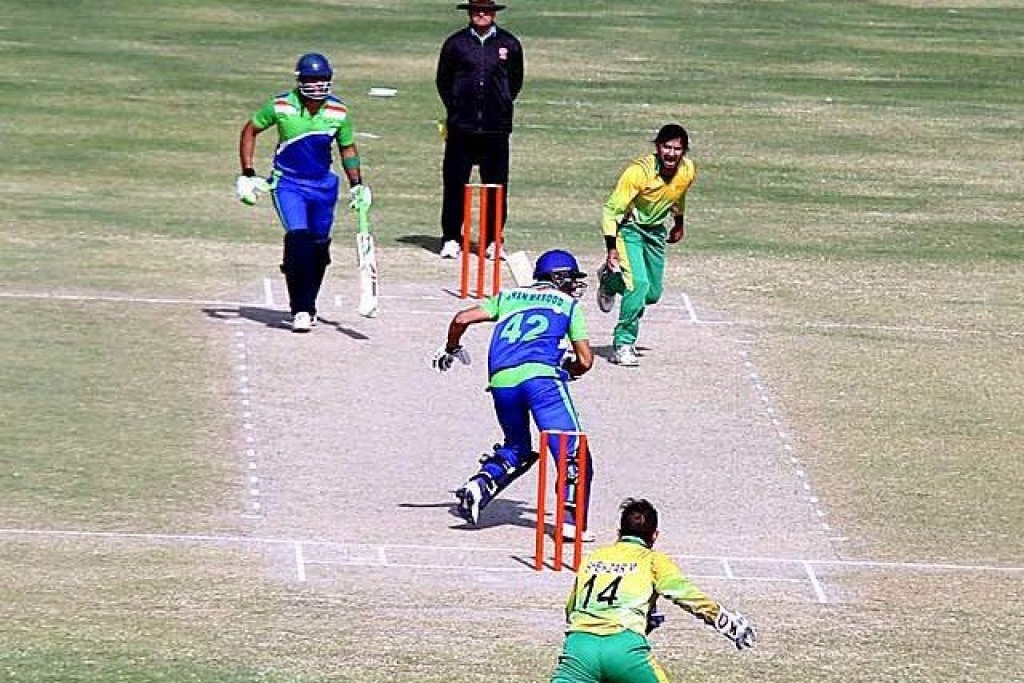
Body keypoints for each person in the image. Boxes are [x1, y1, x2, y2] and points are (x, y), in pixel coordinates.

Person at [432, 250, 595, 541]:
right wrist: (570, 370)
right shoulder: (568, 305)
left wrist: (451, 347)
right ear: (559, 278)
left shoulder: (508, 297)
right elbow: (585, 359)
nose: (574, 287)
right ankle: (570, 521)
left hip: (502, 381)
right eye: (571, 280)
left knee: (518, 447)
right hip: (542, 380)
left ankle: (481, 484)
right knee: (572, 452)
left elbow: (461, 318)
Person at [550, 498, 757, 683]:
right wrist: (727, 622)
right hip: (625, 649)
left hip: (579, 649)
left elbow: (571, 609)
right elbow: (687, 595)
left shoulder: (592, 557)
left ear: (619, 533)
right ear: (655, 535)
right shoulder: (653, 560)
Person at [236, 52, 372, 333]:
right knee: (298, 239)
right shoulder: (281, 106)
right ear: (300, 81)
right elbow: (250, 131)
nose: (318, 85)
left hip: (323, 186)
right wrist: (248, 173)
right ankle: (302, 308)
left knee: (319, 249)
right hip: (288, 184)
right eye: (312, 80)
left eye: (323, 80)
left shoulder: (339, 112)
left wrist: (357, 184)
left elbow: (347, 148)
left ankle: (305, 297)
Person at [596, 124, 696, 366]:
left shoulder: (687, 170)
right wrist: (611, 249)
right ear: (658, 147)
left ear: (684, 151)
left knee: (651, 294)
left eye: (677, 149)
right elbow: (611, 211)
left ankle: (609, 281)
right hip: (629, 230)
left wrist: (679, 222)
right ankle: (623, 343)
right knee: (638, 285)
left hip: (655, 232)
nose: (671, 154)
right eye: (667, 147)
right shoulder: (638, 172)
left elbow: (679, 194)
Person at [435, 0, 524, 261]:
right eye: (476, 10)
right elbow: (443, 81)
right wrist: (456, 109)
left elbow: (515, 81)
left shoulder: (509, 43)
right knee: (455, 184)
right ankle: (451, 238)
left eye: (486, 10)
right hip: (461, 127)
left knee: (496, 185)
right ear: (469, 13)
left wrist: (502, 103)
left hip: (496, 128)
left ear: (494, 13)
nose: (481, 14)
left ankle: (493, 240)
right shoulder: (456, 44)